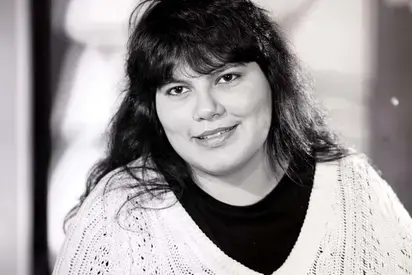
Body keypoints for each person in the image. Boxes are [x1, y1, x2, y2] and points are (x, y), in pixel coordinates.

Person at [52, 0, 412, 274]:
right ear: (152, 110)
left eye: (227, 78)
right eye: (178, 89)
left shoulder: (352, 186)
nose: (206, 109)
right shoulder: (117, 217)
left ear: (272, 79)